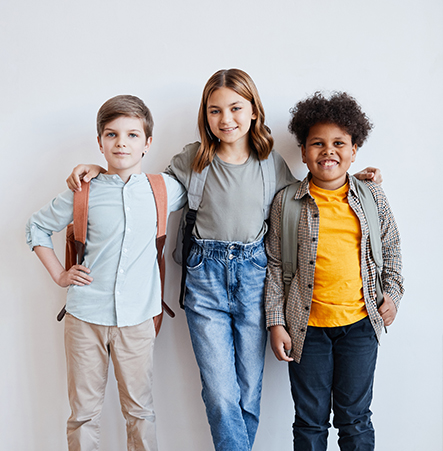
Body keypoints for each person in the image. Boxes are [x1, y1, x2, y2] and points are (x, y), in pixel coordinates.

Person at [66, 70, 381, 451]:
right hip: (205, 280)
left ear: (253, 112)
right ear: (205, 115)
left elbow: (307, 193)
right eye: (215, 110)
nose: (226, 119)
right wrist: (103, 172)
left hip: (255, 278)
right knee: (219, 392)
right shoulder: (192, 160)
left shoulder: (271, 164)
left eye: (235, 108)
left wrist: (355, 179)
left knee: (249, 390)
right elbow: (144, 195)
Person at [26, 95, 187, 451]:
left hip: (139, 319)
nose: (121, 143)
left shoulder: (164, 189)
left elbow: (205, 179)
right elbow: (35, 228)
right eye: (112, 135)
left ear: (147, 143)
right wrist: (59, 274)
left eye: (132, 135)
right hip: (85, 317)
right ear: (99, 142)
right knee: (83, 414)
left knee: (140, 412)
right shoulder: (84, 191)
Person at [265, 92, 404, 450]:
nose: (328, 151)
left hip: (360, 326)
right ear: (303, 152)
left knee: (355, 419)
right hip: (306, 330)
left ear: (354, 150)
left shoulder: (372, 196)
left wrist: (393, 294)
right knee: (310, 423)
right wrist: (276, 321)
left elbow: (390, 250)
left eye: (339, 143)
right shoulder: (286, 202)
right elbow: (276, 265)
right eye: (317, 143)